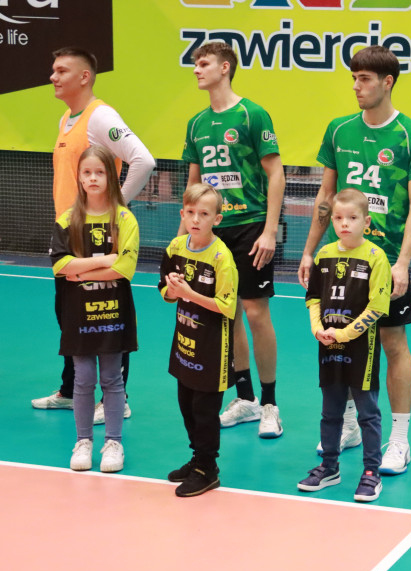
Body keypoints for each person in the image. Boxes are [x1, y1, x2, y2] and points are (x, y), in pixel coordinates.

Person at [297, 45, 411, 476]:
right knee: (341, 340)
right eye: (353, 78)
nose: (356, 86)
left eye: (365, 79)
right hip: (340, 262)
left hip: (385, 262)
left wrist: (403, 262)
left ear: (387, 82)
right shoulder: (339, 131)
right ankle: (351, 425)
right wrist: (308, 250)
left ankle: (399, 439)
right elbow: (326, 198)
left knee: (394, 345)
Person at [33, 46, 155, 421]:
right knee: (70, 315)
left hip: (99, 237)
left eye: (61, 70)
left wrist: (115, 209)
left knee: (107, 315)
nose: (53, 77)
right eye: (53, 70)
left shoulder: (100, 116)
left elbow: (143, 160)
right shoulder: (65, 119)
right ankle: (71, 390)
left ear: (84, 77)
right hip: (70, 238)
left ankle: (119, 398)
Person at [182, 40, 285, 440]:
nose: (196, 70)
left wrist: (270, 231)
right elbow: (193, 183)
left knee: (256, 313)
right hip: (211, 229)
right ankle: (245, 399)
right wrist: (186, 232)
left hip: (250, 225)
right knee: (228, 314)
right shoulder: (195, 123)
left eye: (203, 63)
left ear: (225, 67)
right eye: (195, 64)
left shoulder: (252, 114)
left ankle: (271, 403)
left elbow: (275, 174)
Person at [298, 189, 392, 502]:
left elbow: (377, 307)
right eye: (338, 218)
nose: (344, 224)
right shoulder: (324, 255)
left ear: (366, 221)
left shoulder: (376, 257)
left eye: (352, 218)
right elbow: (313, 298)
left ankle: (371, 472)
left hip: (360, 349)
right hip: (328, 346)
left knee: (367, 412)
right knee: (330, 410)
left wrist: (344, 334)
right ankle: (329, 466)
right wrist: (317, 329)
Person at [50, 146, 138, 473]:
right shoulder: (67, 219)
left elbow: (125, 269)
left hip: (113, 314)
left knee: (113, 379)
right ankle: (83, 441)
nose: (92, 178)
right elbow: (60, 265)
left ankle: (113, 442)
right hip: (78, 315)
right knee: (84, 379)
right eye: (86, 172)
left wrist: (81, 271)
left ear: (111, 177)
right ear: (79, 177)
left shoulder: (124, 218)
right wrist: (103, 260)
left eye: (99, 172)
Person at [160, 183, 238, 498]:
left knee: (205, 411)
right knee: (186, 406)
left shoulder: (222, 257)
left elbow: (227, 307)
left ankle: (208, 469)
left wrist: (189, 294)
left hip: (212, 349)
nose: (196, 219)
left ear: (216, 219)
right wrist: (172, 288)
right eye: (191, 212)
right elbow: (164, 293)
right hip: (184, 343)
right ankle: (197, 459)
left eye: (204, 214)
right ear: (183, 214)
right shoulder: (175, 247)